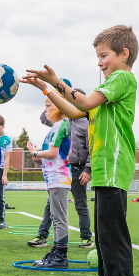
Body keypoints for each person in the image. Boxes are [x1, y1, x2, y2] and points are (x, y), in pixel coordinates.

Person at [21, 25, 139, 276]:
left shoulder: (122, 78)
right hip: (102, 171)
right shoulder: (108, 89)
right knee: (102, 237)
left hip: (113, 168)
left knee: (113, 237)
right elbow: (76, 111)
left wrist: (57, 80)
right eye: (98, 57)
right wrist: (46, 89)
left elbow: (84, 101)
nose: (100, 62)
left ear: (123, 54)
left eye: (104, 56)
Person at [28, 81, 93, 248]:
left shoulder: (86, 124)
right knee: (50, 205)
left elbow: (92, 150)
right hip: (61, 170)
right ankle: (42, 235)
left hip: (76, 170)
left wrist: (87, 169)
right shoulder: (60, 122)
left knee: (80, 203)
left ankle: (86, 236)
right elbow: (44, 117)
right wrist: (54, 97)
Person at [26, 94, 72, 269]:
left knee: (59, 218)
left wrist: (35, 152)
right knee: (55, 216)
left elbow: (52, 154)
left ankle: (60, 256)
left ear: (59, 106)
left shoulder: (61, 124)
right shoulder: (60, 126)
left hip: (58, 178)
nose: (45, 110)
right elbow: (52, 155)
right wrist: (37, 153)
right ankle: (57, 251)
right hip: (55, 178)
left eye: (48, 106)